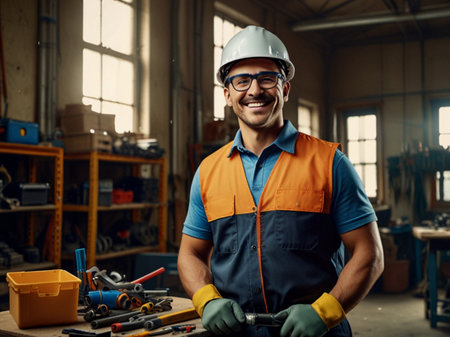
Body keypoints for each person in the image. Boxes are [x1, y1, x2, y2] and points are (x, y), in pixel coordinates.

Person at [177, 25, 384, 337]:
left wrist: (325, 313)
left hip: (317, 332)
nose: (254, 90)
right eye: (241, 80)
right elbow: (190, 253)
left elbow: (370, 254)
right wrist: (206, 300)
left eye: (267, 78)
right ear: (227, 94)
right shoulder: (208, 171)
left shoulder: (329, 163)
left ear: (285, 88)